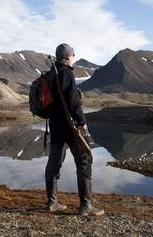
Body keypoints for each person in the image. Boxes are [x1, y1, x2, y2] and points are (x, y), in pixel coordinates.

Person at [45, 43, 104, 216]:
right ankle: (86, 206)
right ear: (67, 57)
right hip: (70, 127)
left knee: (54, 163)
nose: (73, 58)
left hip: (55, 126)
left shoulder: (50, 75)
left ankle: (52, 202)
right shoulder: (67, 73)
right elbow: (73, 102)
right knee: (84, 161)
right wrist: (82, 122)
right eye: (73, 55)